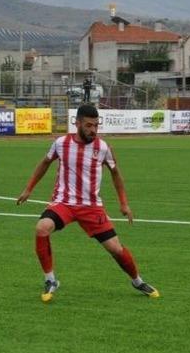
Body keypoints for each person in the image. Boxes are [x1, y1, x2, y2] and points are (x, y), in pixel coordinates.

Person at [16, 104, 159, 303]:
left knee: (116, 249)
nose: (93, 130)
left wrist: (124, 203)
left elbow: (116, 173)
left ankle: (137, 281)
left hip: (91, 207)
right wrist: (29, 189)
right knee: (42, 228)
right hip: (63, 203)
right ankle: (50, 280)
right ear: (78, 123)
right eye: (89, 125)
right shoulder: (60, 143)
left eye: (96, 126)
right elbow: (45, 163)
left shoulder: (103, 147)